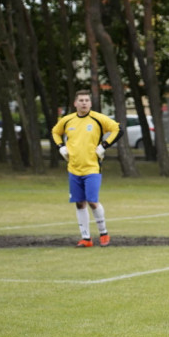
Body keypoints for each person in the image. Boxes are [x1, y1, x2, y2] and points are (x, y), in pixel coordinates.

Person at [52, 90, 120, 247]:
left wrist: (104, 145)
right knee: (79, 203)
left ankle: (103, 233)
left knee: (92, 201)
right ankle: (86, 238)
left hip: (92, 168)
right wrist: (61, 147)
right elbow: (55, 132)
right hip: (74, 168)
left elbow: (118, 129)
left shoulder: (98, 118)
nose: (84, 103)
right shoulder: (67, 120)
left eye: (86, 100)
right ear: (75, 103)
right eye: (81, 100)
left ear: (90, 103)